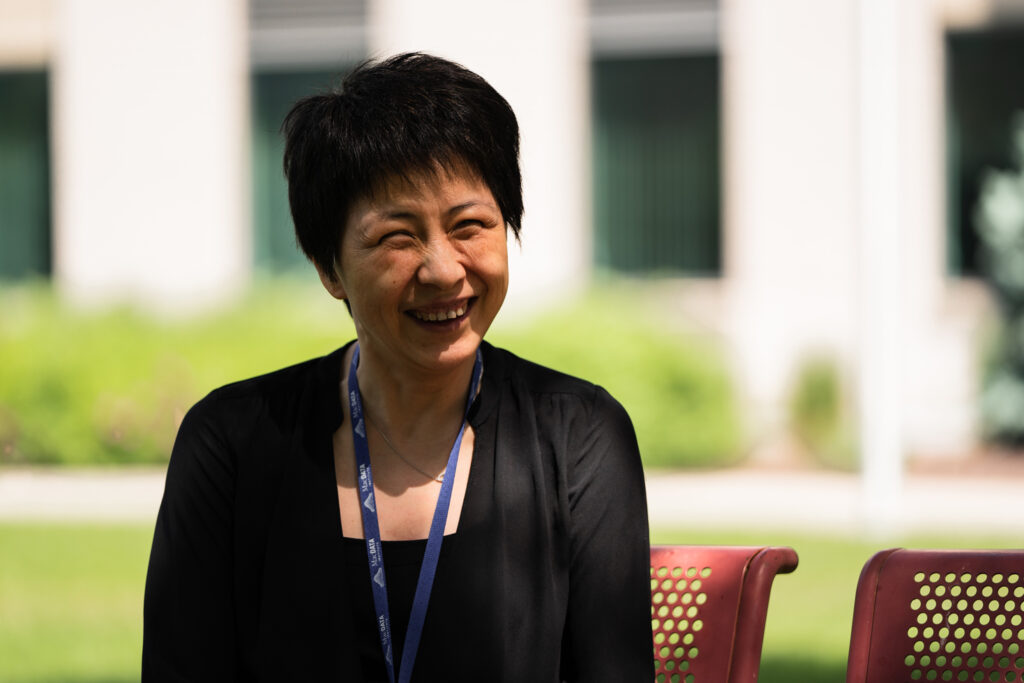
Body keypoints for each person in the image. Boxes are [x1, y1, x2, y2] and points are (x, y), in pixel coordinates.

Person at [143, 52, 652, 682]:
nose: (443, 270)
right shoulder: (231, 443)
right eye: (397, 237)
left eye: (470, 226)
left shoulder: (578, 435)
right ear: (330, 268)